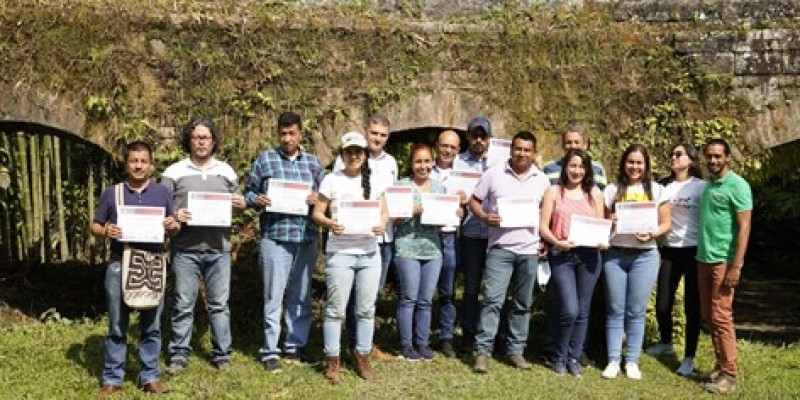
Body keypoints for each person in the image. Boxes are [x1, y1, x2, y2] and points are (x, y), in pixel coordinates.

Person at [90, 141, 180, 395]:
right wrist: (107, 230)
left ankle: (149, 376)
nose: (138, 166)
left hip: (152, 264)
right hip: (120, 263)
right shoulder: (113, 193)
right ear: (126, 163)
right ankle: (112, 377)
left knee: (151, 323)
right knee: (117, 324)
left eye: (143, 161)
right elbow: (95, 225)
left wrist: (173, 226)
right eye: (134, 161)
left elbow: (172, 226)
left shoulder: (162, 193)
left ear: (151, 164)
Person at [162, 118, 246, 374]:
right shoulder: (173, 172)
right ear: (189, 140)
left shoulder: (226, 170)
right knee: (183, 304)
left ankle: (222, 354)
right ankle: (178, 355)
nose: (201, 142)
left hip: (218, 249)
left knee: (220, 304)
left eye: (206, 137)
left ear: (213, 141)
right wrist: (177, 216)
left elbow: (239, 199)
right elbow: (163, 210)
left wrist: (240, 203)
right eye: (196, 137)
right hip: (185, 249)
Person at [244, 111, 324, 373]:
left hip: (305, 237)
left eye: (292, 133)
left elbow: (325, 199)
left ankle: (294, 346)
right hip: (275, 237)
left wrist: (317, 200)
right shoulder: (265, 160)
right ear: (277, 134)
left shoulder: (313, 164)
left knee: (300, 295)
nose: (287, 138)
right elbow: (248, 193)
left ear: (301, 134)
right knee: (273, 295)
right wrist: (258, 200)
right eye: (283, 133)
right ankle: (270, 350)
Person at [470, 131, 550, 374]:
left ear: (534, 153)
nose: (522, 154)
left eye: (527, 150)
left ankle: (516, 351)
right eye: (518, 149)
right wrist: (484, 217)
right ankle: (483, 352)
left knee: (522, 304)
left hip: (528, 251)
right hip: (500, 249)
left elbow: (546, 215)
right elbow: (474, 201)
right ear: (511, 150)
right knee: (493, 300)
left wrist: (544, 239)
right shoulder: (494, 174)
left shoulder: (543, 180)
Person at [313, 131, 390, 383]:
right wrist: (329, 223)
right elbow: (317, 213)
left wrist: (381, 225)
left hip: (369, 253)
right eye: (349, 152)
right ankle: (332, 360)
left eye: (358, 151)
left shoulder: (376, 181)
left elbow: (384, 212)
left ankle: (362, 357)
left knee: (366, 310)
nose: (354, 156)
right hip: (340, 254)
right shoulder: (331, 180)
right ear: (342, 155)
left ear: (365, 154)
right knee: (335, 310)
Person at [539, 123, 607, 368]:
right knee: (569, 309)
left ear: (587, 169)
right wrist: (556, 242)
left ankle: (573, 357)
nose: (576, 171)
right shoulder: (553, 192)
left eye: (581, 166)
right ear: (564, 167)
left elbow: (601, 225)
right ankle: (559, 355)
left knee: (583, 310)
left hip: (589, 258)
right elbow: (543, 226)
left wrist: (602, 241)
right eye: (572, 166)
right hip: (562, 256)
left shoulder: (595, 194)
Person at [601, 144, 671, 380]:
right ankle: (612, 360)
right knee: (614, 309)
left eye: (639, 162)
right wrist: (610, 219)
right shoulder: (611, 190)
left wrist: (652, 233)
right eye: (630, 162)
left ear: (646, 165)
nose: (634, 167)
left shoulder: (657, 190)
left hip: (645, 256)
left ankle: (631, 361)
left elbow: (666, 223)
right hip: (615, 254)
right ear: (623, 164)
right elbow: (600, 221)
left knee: (636, 311)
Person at [334, 115, 397, 361]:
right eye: (374, 133)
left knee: (371, 295)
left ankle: (366, 344)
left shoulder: (391, 163)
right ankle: (354, 345)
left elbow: (389, 200)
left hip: (383, 239)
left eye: (382, 135)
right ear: (365, 131)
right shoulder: (346, 160)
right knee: (351, 296)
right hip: (353, 239)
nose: (378, 138)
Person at [393, 142, 461, 361]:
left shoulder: (439, 188)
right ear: (411, 164)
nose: (423, 166)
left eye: (427, 161)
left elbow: (445, 222)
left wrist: (455, 213)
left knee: (425, 300)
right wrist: (407, 211)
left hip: (433, 250)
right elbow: (392, 218)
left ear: (432, 162)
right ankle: (406, 344)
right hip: (407, 248)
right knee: (408, 298)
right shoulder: (401, 185)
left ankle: (422, 343)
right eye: (418, 161)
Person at [645, 143, 706, 377]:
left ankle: (689, 357)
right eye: (672, 154)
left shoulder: (701, 187)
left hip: (693, 251)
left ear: (690, 160)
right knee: (662, 304)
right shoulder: (662, 186)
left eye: (678, 154)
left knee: (692, 306)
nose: (673, 157)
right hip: (669, 250)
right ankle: (666, 342)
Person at [696, 138, 752, 394]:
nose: (713, 161)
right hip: (704, 259)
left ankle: (729, 374)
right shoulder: (709, 184)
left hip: (723, 261)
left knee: (721, 316)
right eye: (709, 156)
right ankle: (720, 365)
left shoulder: (738, 185)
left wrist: (735, 266)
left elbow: (744, 227)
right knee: (709, 316)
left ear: (727, 157)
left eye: (718, 156)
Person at [454, 116, 493, 352]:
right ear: (467, 137)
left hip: (495, 234)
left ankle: (490, 334)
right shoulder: (458, 163)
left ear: (489, 139)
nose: (479, 140)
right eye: (474, 135)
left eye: (483, 136)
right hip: (469, 231)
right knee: (470, 287)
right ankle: (468, 334)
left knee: (494, 288)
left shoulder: (500, 163)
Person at [429, 129, 463, 357]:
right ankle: (418, 334)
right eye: (444, 145)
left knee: (447, 291)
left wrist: (465, 209)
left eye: (452, 147)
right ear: (437, 147)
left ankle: (446, 336)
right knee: (421, 290)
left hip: (450, 236)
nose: (448, 150)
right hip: (426, 236)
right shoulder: (423, 168)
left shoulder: (463, 175)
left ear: (458, 150)